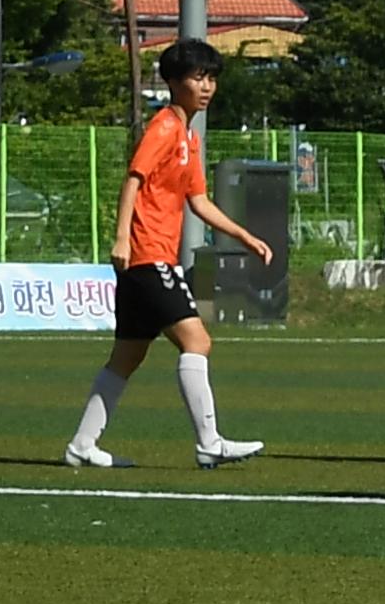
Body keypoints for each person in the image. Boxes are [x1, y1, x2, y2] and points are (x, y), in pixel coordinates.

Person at [63, 38, 280, 469]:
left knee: (127, 356)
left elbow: (198, 201)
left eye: (212, 78)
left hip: (149, 259)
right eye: (199, 77)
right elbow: (133, 179)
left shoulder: (188, 137)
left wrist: (245, 237)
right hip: (147, 256)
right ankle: (209, 442)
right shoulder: (163, 128)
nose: (207, 87)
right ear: (173, 82)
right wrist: (122, 236)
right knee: (197, 340)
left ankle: (81, 446)